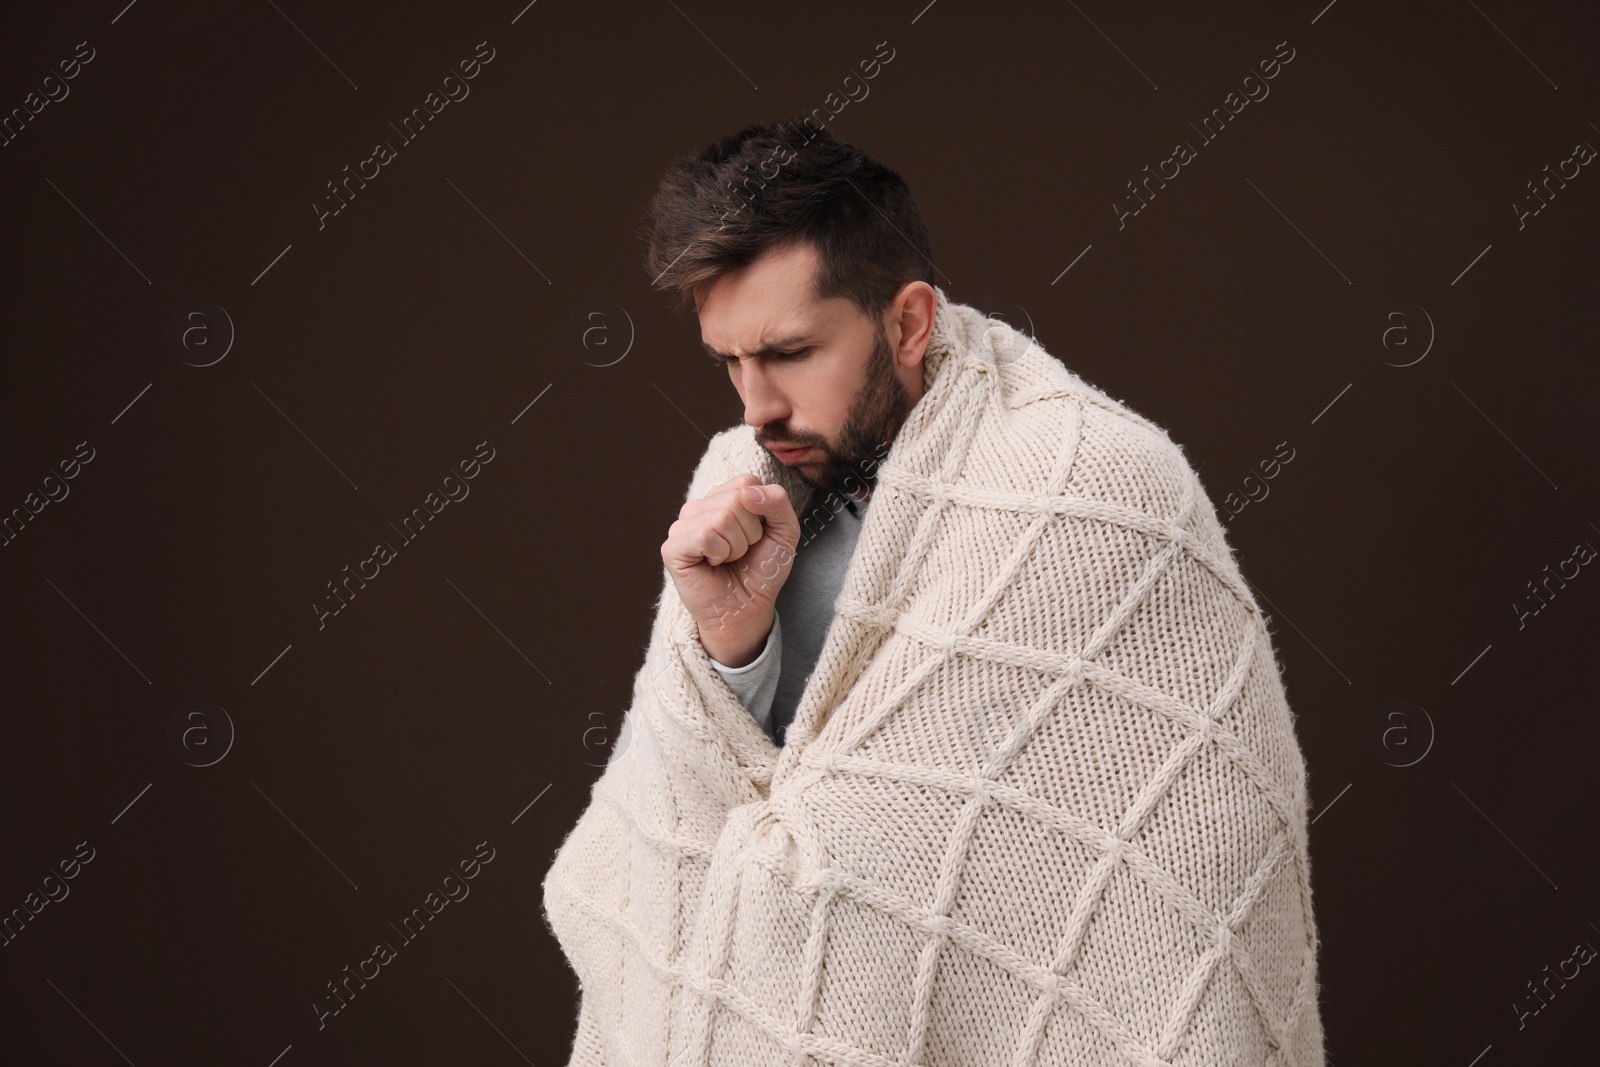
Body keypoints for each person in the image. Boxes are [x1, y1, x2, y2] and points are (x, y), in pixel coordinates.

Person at [542, 117, 1327, 1066]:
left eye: (789, 353)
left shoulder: (1097, 491)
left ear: (908, 322)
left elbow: (1198, 856)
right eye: (728, 362)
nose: (758, 407)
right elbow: (667, 839)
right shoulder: (737, 478)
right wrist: (730, 649)